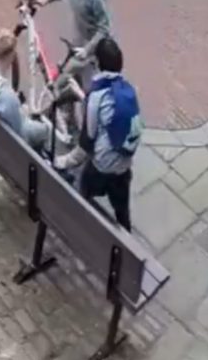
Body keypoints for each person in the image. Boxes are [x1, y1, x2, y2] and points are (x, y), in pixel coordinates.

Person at [53, 37, 142, 232]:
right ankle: (126, 239)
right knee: (122, 211)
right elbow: (108, 117)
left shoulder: (97, 96)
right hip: (123, 169)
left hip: (101, 168)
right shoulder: (128, 91)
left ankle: (78, 226)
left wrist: (62, 161)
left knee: (82, 190)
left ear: (98, 64)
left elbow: (88, 139)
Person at [0, 29, 49, 152]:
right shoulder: (8, 97)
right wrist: (43, 128)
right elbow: (21, 135)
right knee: (45, 130)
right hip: (9, 151)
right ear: (12, 55)